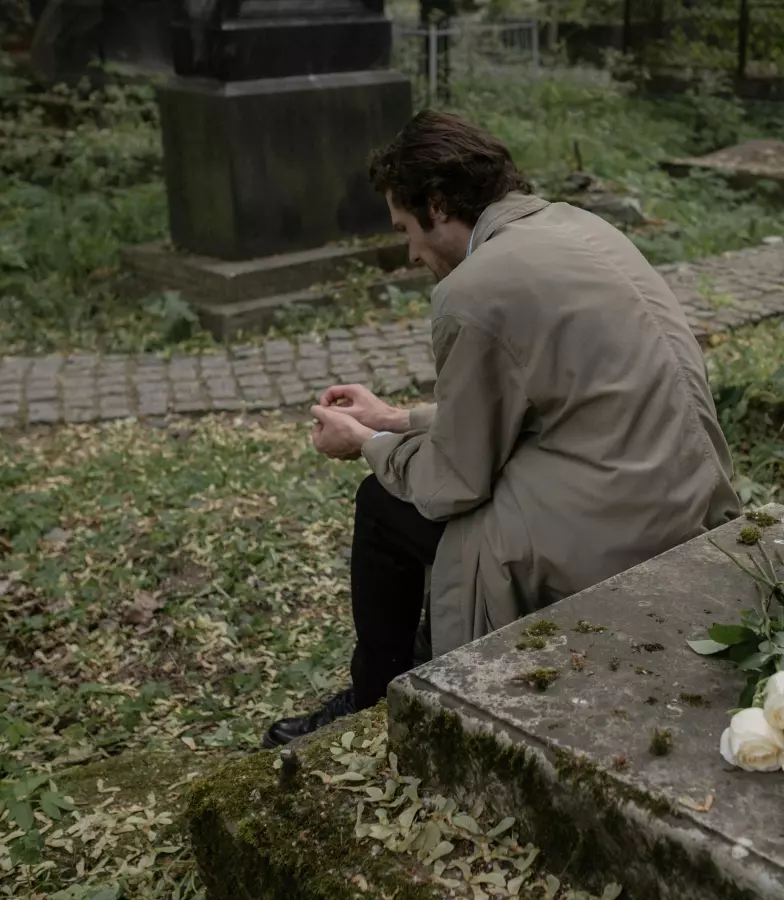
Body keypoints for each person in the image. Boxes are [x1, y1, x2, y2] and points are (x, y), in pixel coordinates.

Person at [261, 110, 741, 747]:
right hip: (683, 497)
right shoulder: (576, 225)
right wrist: (397, 419)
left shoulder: (474, 288)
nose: (409, 252)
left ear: (437, 205)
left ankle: (376, 701)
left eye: (405, 228)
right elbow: (546, 404)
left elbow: (452, 482)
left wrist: (367, 445)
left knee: (384, 503)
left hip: (616, 529)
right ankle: (419, 662)